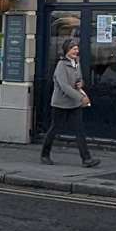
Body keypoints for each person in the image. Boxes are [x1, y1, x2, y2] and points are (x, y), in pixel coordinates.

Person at [40, 38, 100, 168]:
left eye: (77, 49)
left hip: (74, 103)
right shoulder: (61, 65)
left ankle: (86, 159)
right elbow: (64, 86)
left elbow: (79, 79)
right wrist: (81, 98)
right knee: (54, 129)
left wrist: (81, 83)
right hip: (60, 103)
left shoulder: (76, 63)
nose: (76, 51)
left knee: (79, 130)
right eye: (73, 49)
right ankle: (45, 154)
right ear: (67, 50)